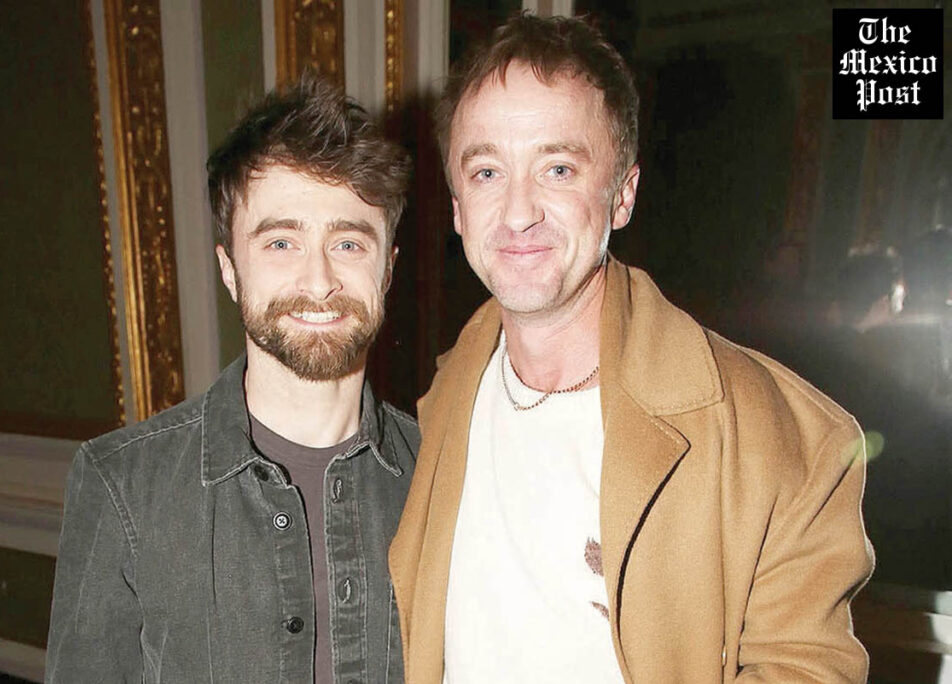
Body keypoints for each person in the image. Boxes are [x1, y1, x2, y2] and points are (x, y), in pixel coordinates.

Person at [388, 14, 873, 683]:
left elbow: (809, 670)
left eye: (558, 168)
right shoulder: (437, 404)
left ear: (622, 195)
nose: (519, 212)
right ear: (456, 208)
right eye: (488, 172)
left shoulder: (786, 441)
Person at [47, 75, 417, 683]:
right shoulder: (122, 486)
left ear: (387, 270)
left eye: (349, 244)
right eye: (281, 243)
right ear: (229, 268)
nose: (319, 281)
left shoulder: (441, 473)